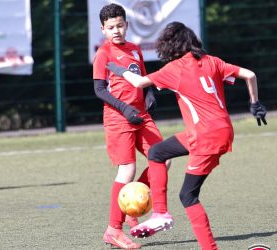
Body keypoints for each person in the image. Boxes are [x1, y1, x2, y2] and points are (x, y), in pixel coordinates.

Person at [106, 21, 267, 249]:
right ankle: (160, 212)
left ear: (171, 46)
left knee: (188, 196)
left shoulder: (175, 69)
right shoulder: (212, 61)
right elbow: (249, 75)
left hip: (205, 137)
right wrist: (255, 103)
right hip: (220, 131)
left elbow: (140, 82)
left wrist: (119, 70)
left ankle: (185, 230)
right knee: (157, 152)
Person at [93, 4, 170, 249]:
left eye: (119, 25)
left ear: (126, 25)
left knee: (164, 158)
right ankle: (113, 230)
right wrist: (125, 108)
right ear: (103, 29)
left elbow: (142, 81)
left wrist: (148, 96)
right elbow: (99, 89)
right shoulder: (104, 53)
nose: (116, 31)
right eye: (110, 27)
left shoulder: (135, 50)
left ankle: (130, 202)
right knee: (127, 170)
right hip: (119, 118)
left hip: (141, 116)